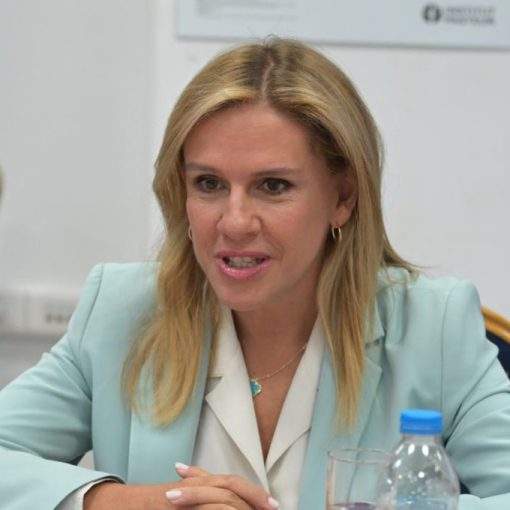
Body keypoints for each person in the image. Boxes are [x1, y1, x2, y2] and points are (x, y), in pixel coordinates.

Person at [1, 38, 509, 510]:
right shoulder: (122, 310)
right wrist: (127, 503)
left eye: (272, 186)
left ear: (343, 197)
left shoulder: (433, 327)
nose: (235, 222)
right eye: (209, 184)